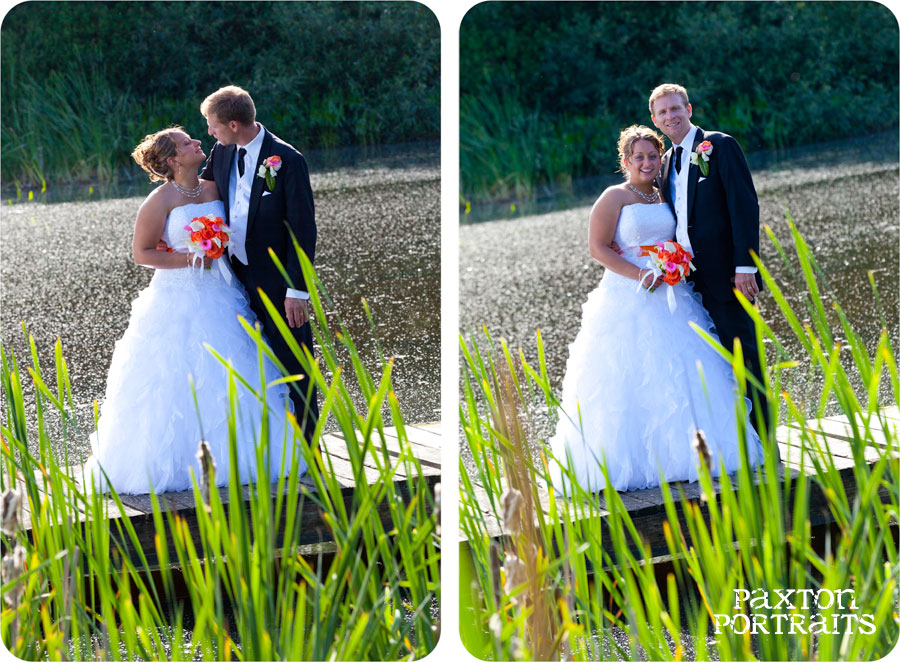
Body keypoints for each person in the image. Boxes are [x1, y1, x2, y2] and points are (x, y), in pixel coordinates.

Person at [84, 127, 304, 495]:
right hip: (176, 298)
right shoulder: (159, 201)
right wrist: (191, 257)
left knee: (233, 371)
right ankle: (177, 465)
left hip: (222, 294)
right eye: (188, 143)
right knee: (174, 377)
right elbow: (142, 253)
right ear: (172, 160)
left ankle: (243, 457)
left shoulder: (214, 188)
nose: (198, 143)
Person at [548, 125, 763, 495]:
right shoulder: (613, 197)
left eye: (652, 156)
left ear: (659, 158)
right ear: (626, 161)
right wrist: (640, 274)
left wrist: (672, 266)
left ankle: (691, 455)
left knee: (686, 372)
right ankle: (633, 462)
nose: (646, 163)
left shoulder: (665, 192)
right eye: (639, 157)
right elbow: (598, 248)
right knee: (630, 377)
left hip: (674, 296)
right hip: (629, 295)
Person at [649, 83, 773, 443]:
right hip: (689, 282)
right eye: (663, 112)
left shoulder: (718, 146)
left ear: (689, 108)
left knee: (745, 358)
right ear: (654, 119)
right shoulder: (667, 162)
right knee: (713, 366)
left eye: (676, 108)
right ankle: (736, 443)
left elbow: (744, 205)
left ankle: (766, 445)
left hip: (729, 277)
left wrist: (745, 266)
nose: (670, 116)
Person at [198, 86, 319, 441]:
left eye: (213, 125)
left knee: (295, 364)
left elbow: (303, 230)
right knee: (251, 364)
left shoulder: (288, 160)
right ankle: (270, 443)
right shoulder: (222, 152)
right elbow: (198, 193)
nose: (209, 133)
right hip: (233, 281)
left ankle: (309, 448)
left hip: (278, 284)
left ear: (234, 124)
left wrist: (297, 290)